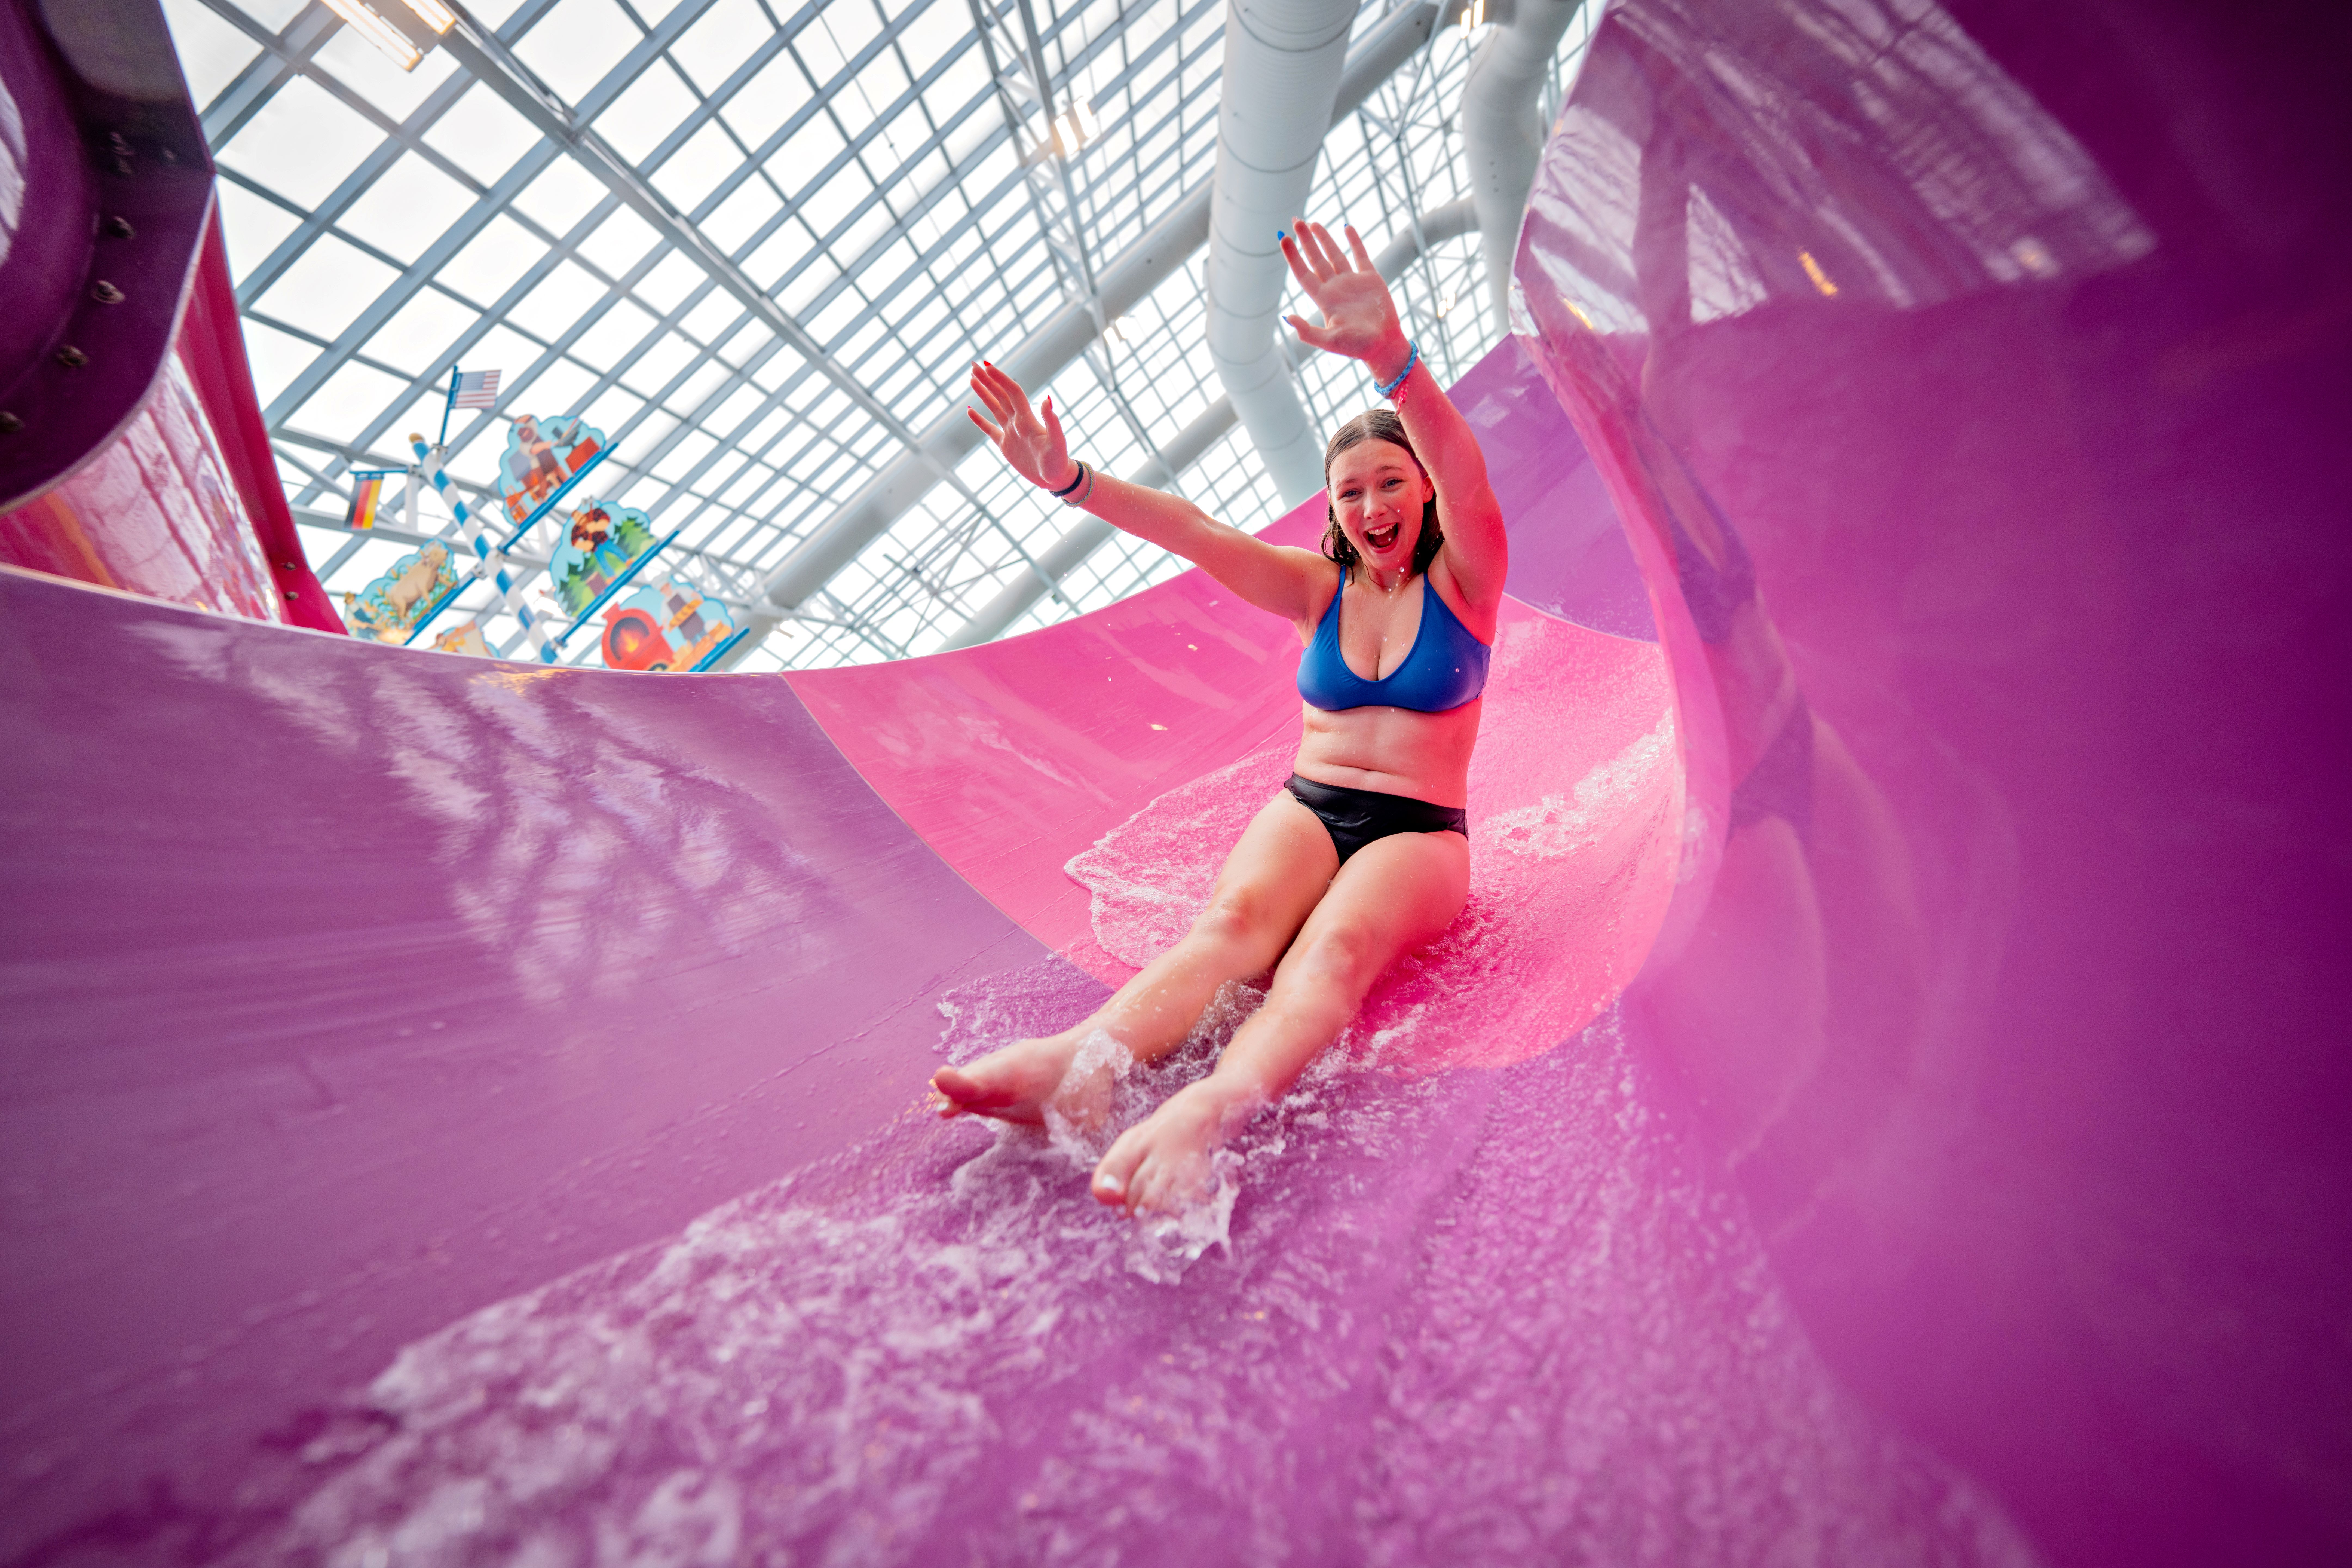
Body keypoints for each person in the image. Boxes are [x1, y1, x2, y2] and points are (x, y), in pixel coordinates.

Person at [933, 219, 1509, 1216]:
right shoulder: (1314, 589)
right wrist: (1071, 482)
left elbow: (1470, 478)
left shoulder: (1468, 579)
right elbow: (1197, 532)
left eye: (1392, 484)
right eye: (1353, 491)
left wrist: (1393, 361)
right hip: (1312, 802)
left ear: (1422, 495)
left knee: (1329, 954)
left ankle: (1212, 1109)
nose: (1374, 505)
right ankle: (1082, 1061)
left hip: (1418, 834)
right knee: (1235, 926)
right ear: (1333, 510)